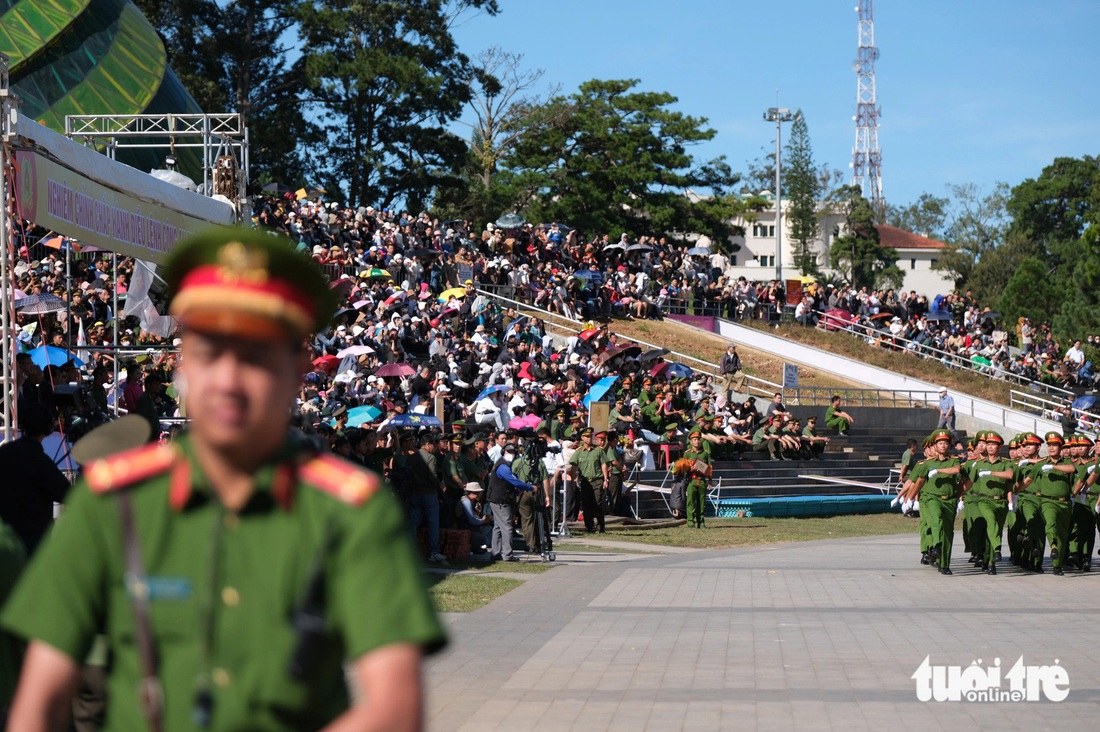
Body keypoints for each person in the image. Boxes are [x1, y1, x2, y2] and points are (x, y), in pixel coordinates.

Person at [2, 227, 445, 731]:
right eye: (212, 352)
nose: (230, 380)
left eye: (256, 355)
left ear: (298, 367)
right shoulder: (113, 503)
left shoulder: (350, 510)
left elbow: (395, 708)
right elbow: (38, 702)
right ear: (183, 364)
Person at [0, 404, 71, 555]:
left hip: (5, 540)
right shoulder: (41, 462)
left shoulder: (5, 452)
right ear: (47, 429)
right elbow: (67, 494)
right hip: (34, 543)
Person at [907, 429, 963, 575]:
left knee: (948, 533)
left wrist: (938, 471)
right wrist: (910, 499)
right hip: (933, 498)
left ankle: (944, 564)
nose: (943, 446)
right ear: (935, 446)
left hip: (949, 500)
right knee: (936, 518)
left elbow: (956, 470)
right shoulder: (927, 463)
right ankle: (936, 546)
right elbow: (918, 482)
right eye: (940, 443)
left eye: (945, 443)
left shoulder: (954, 460)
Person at [487, 442, 534, 562]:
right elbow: (514, 481)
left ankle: (495, 552)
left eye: (513, 452)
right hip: (500, 500)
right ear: (504, 452)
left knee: (498, 526)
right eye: (509, 452)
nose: (511, 454)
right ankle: (507, 554)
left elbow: (509, 483)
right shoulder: (503, 467)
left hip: (497, 499)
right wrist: (530, 487)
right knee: (507, 526)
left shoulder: (502, 464)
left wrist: (516, 491)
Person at [568, 427, 607, 533]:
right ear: (582, 438)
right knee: (586, 504)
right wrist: (573, 480)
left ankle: (600, 525)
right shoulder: (579, 452)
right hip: (585, 481)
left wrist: (605, 479)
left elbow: (604, 464)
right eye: (587, 437)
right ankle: (589, 526)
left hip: (597, 480)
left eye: (590, 436)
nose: (589, 439)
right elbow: (574, 467)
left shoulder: (598, 450)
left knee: (597, 503)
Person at [682, 431, 712, 528]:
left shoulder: (705, 454)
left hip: (702, 480)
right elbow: (683, 467)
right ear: (691, 442)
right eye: (695, 440)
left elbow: (709, 468)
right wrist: (690, 469)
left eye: (698, 439)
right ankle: (690, 522)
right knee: (690, 502)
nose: (697, 442)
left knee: (701, 503)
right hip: (691, 480)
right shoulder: (687, 454)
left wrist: (710, 480)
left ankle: (701, 522)